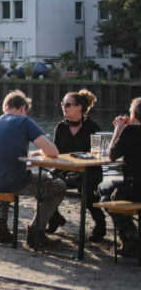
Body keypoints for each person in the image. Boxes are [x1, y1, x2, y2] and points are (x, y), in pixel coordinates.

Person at [0, 90, 63, 249]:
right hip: (15, 181)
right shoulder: (24, 122)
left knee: (4, 175)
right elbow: (53, 152)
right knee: (58, 186)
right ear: (23, 108)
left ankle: (0, 226)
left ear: (5, 107)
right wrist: (38, 153)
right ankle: (36, 231)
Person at [47, 89, 104, 241]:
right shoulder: (61, 127)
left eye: (67, 104)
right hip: (64, 168)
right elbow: (56, 152)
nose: (63, 107)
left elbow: (98, 155)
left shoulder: (92, 127)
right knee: (42, 182)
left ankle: (100, 225)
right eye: (62, 104)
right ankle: (54, 217)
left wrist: (79, 171)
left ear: (79, 107)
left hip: (89, 170)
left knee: (87, 195)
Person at [98, 97, 141, 257]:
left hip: (134, 189)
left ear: (134, 114)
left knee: (104, 195)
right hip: (133, 185)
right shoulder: (132, 132)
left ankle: (131, 235)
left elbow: (111, 156)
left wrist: (119, 129)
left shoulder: (130, 131)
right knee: (107, 188)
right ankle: (130, 237)